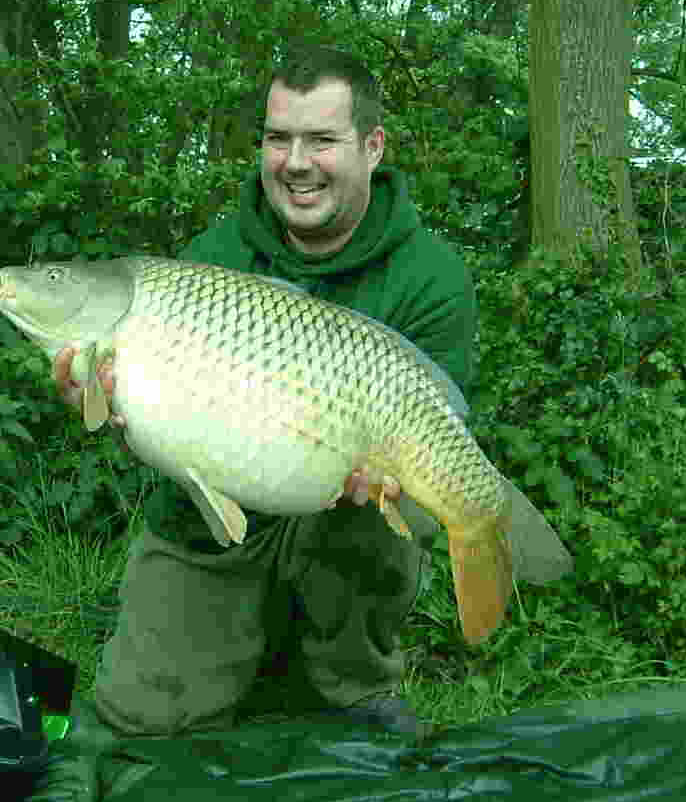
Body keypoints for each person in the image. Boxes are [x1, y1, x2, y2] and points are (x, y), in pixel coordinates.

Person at [54, 46, 477, 740]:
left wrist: (397, 475)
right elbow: (160, 435)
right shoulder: (211, 260)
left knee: (409, 495)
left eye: (321, 140)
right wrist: (110, 410)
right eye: (278, 139)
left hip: (343, 509)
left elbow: (444, 427)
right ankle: (227, 649)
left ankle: (351, 679)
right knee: (139, 724)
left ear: (372, 148)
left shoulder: (429, 277)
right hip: (214, 518)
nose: (296, 162)